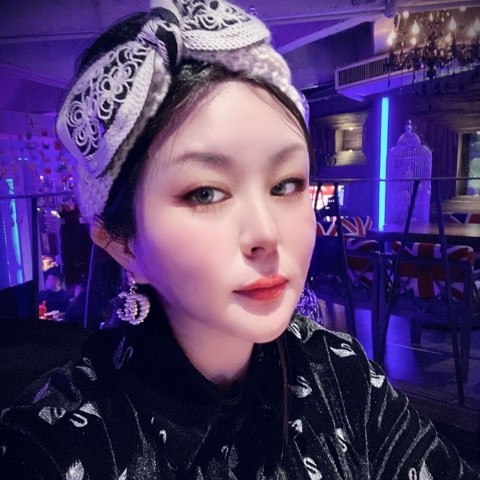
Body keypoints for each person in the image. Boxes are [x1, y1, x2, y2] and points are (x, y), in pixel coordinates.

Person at [0, 1, 478, 478]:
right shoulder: (53, 448)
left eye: (285, 185)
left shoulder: (343, 377)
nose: (266, 233)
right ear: (121, 243)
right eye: (205, 193)